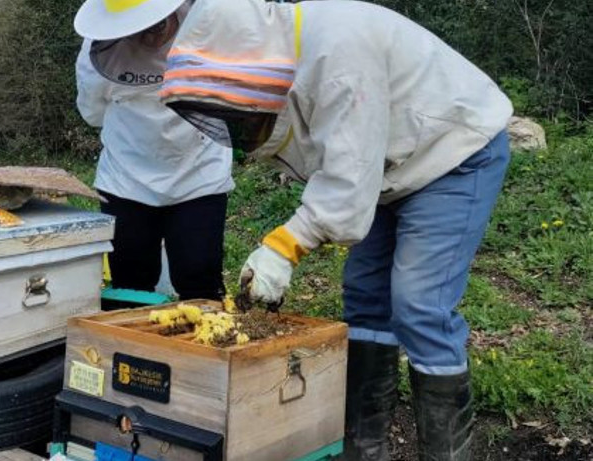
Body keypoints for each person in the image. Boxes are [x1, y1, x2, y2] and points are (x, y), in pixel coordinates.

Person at [158, 0, 513, 459]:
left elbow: (346, 185)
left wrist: (284, 245)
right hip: (389, 169)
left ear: (245, 49)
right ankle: (364, 449)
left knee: (419, 303)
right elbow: (346, 169)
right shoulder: (294, 53)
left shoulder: (338, 50)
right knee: (365, 294)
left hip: (454, 153)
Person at [73, 0, 234, 301]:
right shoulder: (94, 51)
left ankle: (193, 350)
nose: (148, 34)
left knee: (200, 288)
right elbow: (91, 112)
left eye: (155, 23)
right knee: (129, 291)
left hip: (199, 175)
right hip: (125, 180)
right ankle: (133, 350)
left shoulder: (210, 23)